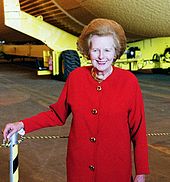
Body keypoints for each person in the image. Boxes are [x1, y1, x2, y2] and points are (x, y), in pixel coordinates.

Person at [3, 18, 149, 182]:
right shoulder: (76, 78)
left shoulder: (129, 82)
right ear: (88, 51)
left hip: (115, 169)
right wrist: (22, 125)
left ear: (116, 52)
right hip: (79, 168)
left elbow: (139, 131)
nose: (101, 57)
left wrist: (141, 172)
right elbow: (57, 115)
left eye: (107, 50)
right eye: (96, 50)